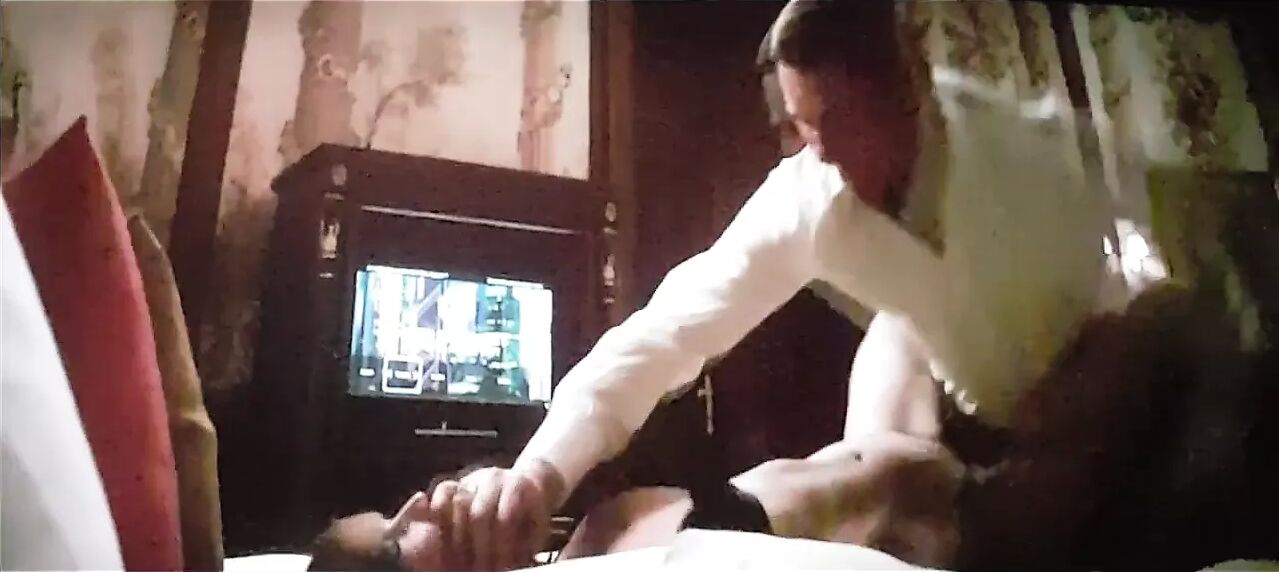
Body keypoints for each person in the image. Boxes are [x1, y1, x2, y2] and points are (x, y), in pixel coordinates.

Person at [418, 1, 1113, 569]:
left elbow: (1122, 287)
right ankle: (749, 520)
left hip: (1078, 398)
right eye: (802, 127)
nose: (823, 151)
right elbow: (663, 334)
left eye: (839, 121)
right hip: (948, 408)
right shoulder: (809, 196)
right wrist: (539, 474)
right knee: (891, 348)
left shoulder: (1026, 149)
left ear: (908, 88)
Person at [308, 431, 964, 571]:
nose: (419, 504)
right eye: (395, 538)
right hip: (943, 499)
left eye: (396, 507)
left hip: (887, 452)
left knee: (897, 323)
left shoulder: (558, 537)